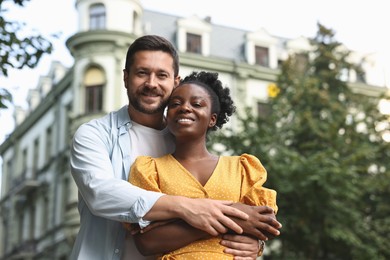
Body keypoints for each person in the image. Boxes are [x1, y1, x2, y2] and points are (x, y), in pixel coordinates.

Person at [70, 35, 281, 260]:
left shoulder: (187, 139)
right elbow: (100, 193)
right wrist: (190, 208)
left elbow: (249, 222)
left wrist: (254, 243)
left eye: (162, 75)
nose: (151, 83)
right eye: (142, 73)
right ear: (125, 77)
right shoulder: (94, 134)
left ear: (175, 82)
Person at [127, 71, 280, 259]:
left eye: (197, 104)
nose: (184, 108)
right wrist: (231, 217)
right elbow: (147, 242)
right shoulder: (149, 170)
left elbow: (266, 223)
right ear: (168, 117)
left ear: (212, 119)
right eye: (175, 104)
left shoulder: (242, 169)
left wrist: (258, 244)